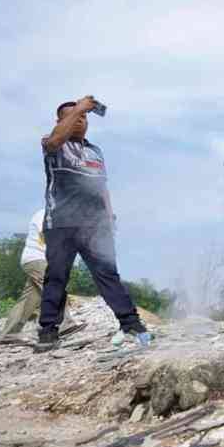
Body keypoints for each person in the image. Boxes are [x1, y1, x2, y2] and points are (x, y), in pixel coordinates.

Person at [37, 96, 146, 350]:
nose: (79, 121)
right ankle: (48, 329)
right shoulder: (52, 143)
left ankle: (130, 323)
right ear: (59, 121)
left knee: (108, 274)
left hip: (95, 226)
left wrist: (110, 217)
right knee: (56, 276)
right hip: (61, 223)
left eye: (83, 117)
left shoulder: (95, 151)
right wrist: (79, 108)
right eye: (72, 116)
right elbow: (55, 140)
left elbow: (102, 187)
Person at [0, 208, 83, 344]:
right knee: (55, 287)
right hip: (37, 259)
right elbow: (45, 234)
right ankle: (64, 324)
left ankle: (8, 334)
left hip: (39, 260)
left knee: (28, 300)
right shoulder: (44, 214)